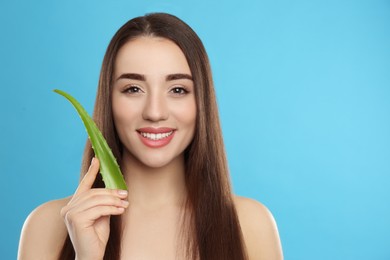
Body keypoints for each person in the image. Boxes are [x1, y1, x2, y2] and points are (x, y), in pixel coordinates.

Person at [18, 13, 283, 260]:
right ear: (109, 100)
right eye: (133, 88)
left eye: (178, 89)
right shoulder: (47, 225)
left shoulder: (251, 224)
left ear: (201, 101)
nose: (155, 112)